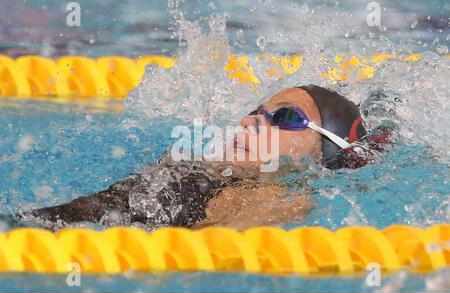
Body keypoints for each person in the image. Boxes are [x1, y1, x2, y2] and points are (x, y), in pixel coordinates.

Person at [16, 85, 392, 231]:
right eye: (257, 111)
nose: (251, 121)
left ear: (326, 151)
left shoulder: (281, 196)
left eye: (286, 117)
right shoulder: (200, 168)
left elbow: (204, 256)